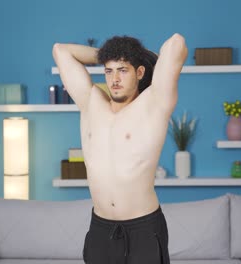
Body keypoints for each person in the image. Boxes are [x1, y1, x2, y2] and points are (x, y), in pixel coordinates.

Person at [52, 33, 188, 264]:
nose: (114, 78)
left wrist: (137, 55)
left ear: (140, 72)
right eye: (109, 70)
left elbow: (177, 43)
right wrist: (110, 54)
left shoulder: (154, 103)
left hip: (143, 228)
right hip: (101, 228)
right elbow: (60, 50)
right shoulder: (90, 102)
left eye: (123, 70)